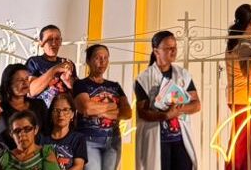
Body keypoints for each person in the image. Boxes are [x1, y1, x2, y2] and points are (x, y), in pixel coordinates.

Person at [135, 30, 201, 170]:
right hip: (157, 139)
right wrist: (165, 115)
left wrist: (178, 110)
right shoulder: (144, 79)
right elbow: (142, 112)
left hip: (180, 138)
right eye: (168, 48)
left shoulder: (183, 75)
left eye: (175, 47)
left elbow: (196, 104)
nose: (173, 51)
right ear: (156, 51)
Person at [73, 43, 131, 170]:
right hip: (88, 139)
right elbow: (86, 108)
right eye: (98, 57)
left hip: (113, 139)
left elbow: (127, 112)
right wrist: (112, 106)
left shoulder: (115, 86)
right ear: (88, 60)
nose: (102, 61)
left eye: (106, 58)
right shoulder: (80, 84)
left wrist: (98, 111)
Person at [224, 5, 251, 170]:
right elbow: (249, 72)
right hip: (245, 99)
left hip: (239, 97)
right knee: (244, 146)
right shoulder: (244, 44)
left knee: (241, 142)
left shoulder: (238, 41)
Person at [0, 66, 48, 148]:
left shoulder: (39, 105)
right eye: (20, 80)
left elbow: (47, 132)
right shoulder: (0, 109)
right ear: (8, 84)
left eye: (27, 79)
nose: (25, 83)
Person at [26, 27, 77, 109]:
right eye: (49, 39)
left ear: (61, 42)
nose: (54, 43)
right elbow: (31, 91)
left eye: (57, 39)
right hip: (41, 112)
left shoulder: (68, 63)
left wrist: (68, 82)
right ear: (41, 43)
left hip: (64, 112)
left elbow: (77, 95)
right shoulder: (34, 62)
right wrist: (55, 69)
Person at [42, 93, 87, 170]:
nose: (61, 114)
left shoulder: (78, 138)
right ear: (51, 114)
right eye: (56, 110)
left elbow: (79, 166)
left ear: (72, 114)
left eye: (65, 110)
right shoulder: (41, 138)